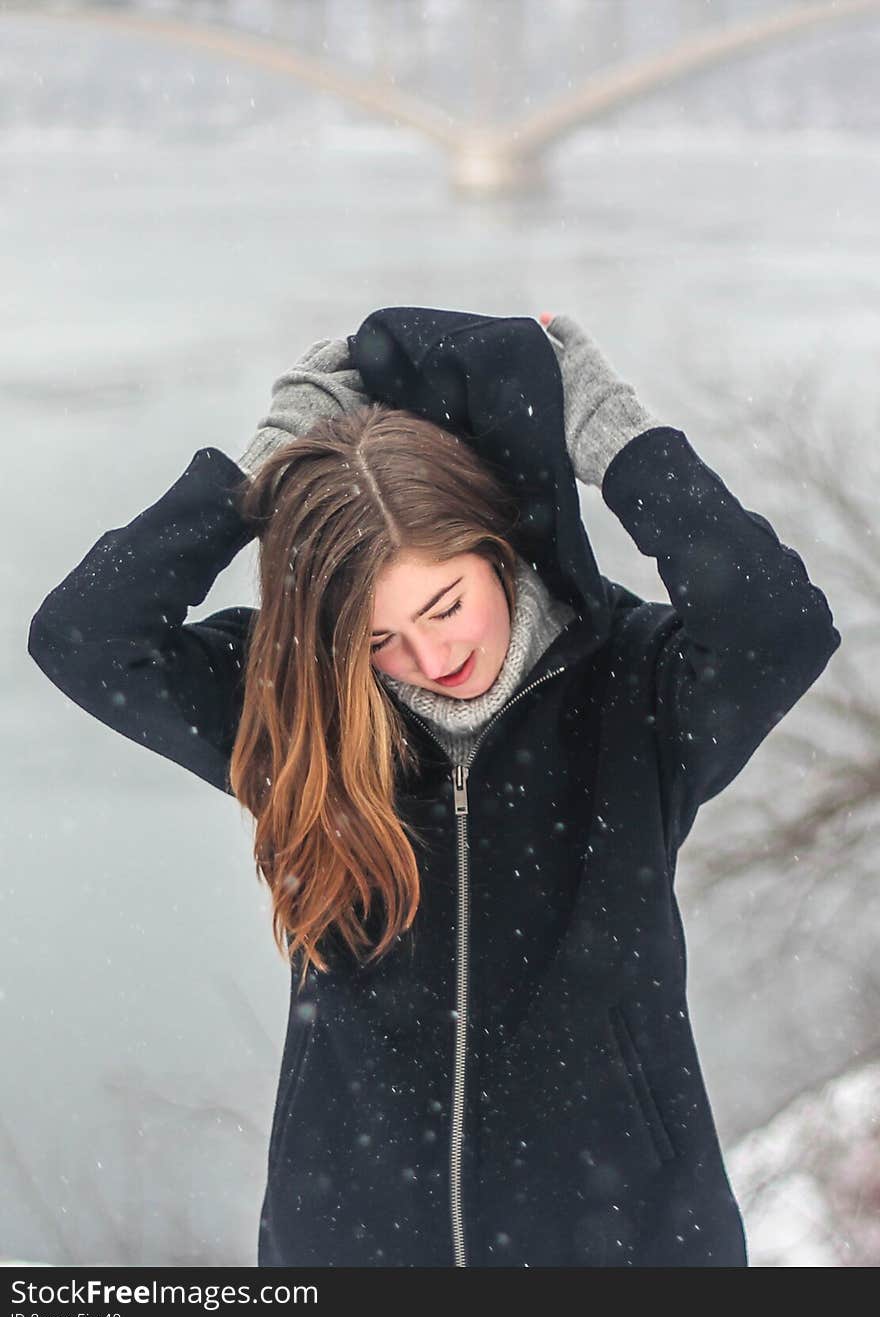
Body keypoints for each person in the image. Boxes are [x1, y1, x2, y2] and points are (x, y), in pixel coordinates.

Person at [27, 306, 841, 1268]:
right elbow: (85, 634)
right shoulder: (307, 713)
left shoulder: (635, 692)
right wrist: (268, 471)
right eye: (378, 638)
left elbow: (779, 624)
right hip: (353, 1246)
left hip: (626, 1243)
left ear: (498, 546)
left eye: (444, 604)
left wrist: (614, 438)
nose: (429, 656)